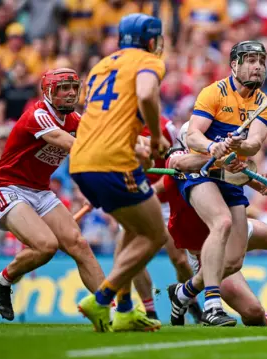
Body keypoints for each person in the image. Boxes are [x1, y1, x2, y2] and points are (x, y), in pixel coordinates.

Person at [69, 13, 170, 332]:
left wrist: (135, 146)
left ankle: (125, 309)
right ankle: (102, 298)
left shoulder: (101, 65)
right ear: (152, 41)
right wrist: (155, 138)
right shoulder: (148, 61)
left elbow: (104, 116)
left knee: (132, 231)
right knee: (154, 234)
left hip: (82, 162)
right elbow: (144, 94)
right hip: (112, 163)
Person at [0, 68, 105, 321]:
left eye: (73, 87)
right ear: (50, 92)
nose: (71, 93)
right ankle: (1, 281)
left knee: (79, 245)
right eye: (64, 88)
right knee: (46, 246)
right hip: (9, 187)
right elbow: (69, 143)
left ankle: (112, 310)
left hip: (40, 190)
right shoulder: (37, 115)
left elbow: (101, 139)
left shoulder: (75, 119)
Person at [179, 40, 267, 326]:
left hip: (230, 178)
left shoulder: (263, 102)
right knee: (221, 223)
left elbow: (255, 143)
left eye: (261, 61)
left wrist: (239, 145)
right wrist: (211, 147)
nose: (257, 66)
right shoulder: (214, 92)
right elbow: (193, 135)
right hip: (201, 171)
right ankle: (212, 307)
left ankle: (183, 293)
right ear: (234, 65)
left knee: (233, 262)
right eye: (250, 60)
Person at [161, 144, 267, 327]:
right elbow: (179, 162)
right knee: (254, 313)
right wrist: (218, 160)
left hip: (232, 228)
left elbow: (252, 181)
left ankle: (184, 291)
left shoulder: (221, 155)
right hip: (206, 246)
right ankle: (186, 293)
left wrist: (264, 181)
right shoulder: (184, 154)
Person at [129, 115, 199, 321]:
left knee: (179, 260)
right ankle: (150, 311)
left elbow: (175, 164)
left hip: (166, 201)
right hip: (136, 201)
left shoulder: (165, 127)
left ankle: (189, 302)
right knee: (133, 259)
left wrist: (154, 189)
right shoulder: (117, 123)